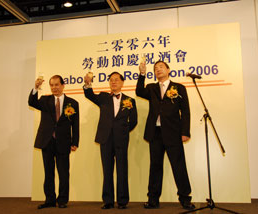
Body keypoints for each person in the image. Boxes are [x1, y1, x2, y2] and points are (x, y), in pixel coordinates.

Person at [136, 61, 195, 210]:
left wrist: (185, 132)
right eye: (155, 69)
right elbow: (139, 92)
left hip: (174, 133)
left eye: (161, 67)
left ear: (168, 70)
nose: (158, 70)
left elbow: (185, 111)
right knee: (155, 167)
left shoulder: (179, 88)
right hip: (155, 133)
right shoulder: (151, 88)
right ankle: (153, 200)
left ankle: (185, 198)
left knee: (179, 166)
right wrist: (142, 74)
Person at [83, 72, 137, 209]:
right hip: (105, 138)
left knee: (122, 169)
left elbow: (134, 121)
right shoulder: (103, 97)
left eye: (116, 80)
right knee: (107, 170)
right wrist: (88, 84)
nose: (113, 82)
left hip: (121, 139)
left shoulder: (130, 101)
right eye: (111, 80)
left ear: (122, 82)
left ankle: (122, 201)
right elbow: (89, 95)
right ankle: (108, 201)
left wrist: (123, 131)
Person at [28, 75, 79, 209]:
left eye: (57, 85)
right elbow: (32, 103)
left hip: (64, 142)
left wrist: (75, 142)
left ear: (63, 85)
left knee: (63, 173)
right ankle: (49, 200)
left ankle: (62, 200)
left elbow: (76, 125)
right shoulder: (45, 100)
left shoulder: (73, 103)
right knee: (48, 172)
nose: (54, 88)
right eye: (52, 85)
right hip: (47, 141)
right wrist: (35, 88)